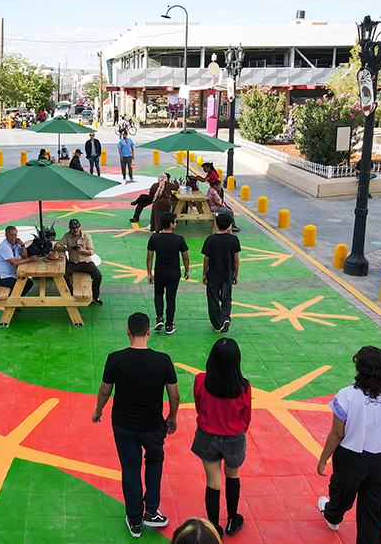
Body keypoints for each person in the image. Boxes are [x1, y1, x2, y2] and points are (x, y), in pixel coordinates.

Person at [92, 312, 180, 539]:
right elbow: (174, 395)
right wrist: (172, 416)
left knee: (130, 469)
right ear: (149, 332)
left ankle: (134, 520)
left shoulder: (115, 359)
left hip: (123, 425)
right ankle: (151, 511)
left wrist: (98, 410)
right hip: (153, 427)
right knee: (154, 463)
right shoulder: (163, 360)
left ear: (128, 332)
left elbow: (104, 390)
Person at [316, 346, 381, 543]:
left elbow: (337, 433)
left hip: (351, 458)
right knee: (373, 514)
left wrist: (324, 459)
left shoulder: (347, 395)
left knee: (342, 493)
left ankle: (332, 515)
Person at [192, 338, 251, 538]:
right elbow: (246, 416)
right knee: (233, 475)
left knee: (213, 481)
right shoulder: (244, 387)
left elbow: (199, 406)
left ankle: (213, 527)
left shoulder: (201, 381)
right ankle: (232, 519)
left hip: (207, 436)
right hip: (234, 438)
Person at [146, 211, 189, 334]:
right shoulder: (179, 239)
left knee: (158, 294)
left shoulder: (154, 238)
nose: (176, 223)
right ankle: (169, 324)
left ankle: (159, 318)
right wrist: (187, 270)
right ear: (171, 224)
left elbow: (149, 257)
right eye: (175, 222)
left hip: (160, 272)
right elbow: (185, 257)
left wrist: (149, 272)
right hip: (174, 273)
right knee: (171, 298)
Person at [201, 212, 241, 333]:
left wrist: (204, 273)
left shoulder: (210, 239)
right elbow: (236, 259)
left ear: (216, 224)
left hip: (213, 275)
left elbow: (206, 259)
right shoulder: (233, 239)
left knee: (213, 299)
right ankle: (225, 317)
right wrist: (236, 274)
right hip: (227, 274)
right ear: (229, 225)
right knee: (226, 298)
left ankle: (217, 324)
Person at [54, 218, 103, 305]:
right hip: (73, 262)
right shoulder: (67, 236)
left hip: (86, 262)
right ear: (70, 228)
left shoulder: (87, 237)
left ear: (80, 227)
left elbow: (91, 251)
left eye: (77, 227)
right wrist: (66, 249)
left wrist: (83, 251)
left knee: (98, 276)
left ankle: (95, 296)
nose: (75, 229)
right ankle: (70, 292)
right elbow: (56, 246)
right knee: (63, 275)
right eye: (72, 228)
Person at [0, 226, 38, 296]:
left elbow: (24, 256)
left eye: (15, 235)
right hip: (1, 277)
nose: (13, 238)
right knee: (23, 285)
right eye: (11, 235)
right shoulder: (4, 246)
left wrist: (22, 245)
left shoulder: (15, 244)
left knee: (28, 283)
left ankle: (14, 299)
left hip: (10, 275)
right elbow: (14, 262)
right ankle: (13, 300)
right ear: (6, 235)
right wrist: (30, 259)